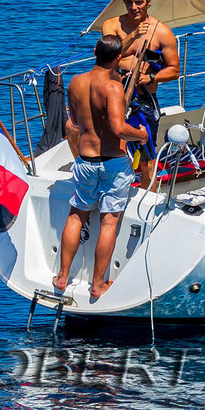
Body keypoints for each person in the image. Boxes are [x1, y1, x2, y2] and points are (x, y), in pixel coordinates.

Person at [53, 35, 136, 300]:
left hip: (85, 161)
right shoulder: (113, 88)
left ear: (94, 52)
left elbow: (75, 122)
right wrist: (142, 135)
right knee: (108, 222)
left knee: (76, 215)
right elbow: (119, 128)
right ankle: (98, 284)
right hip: (112, 163)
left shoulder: (76, 82)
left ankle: (63, 276)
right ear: (118, 58)